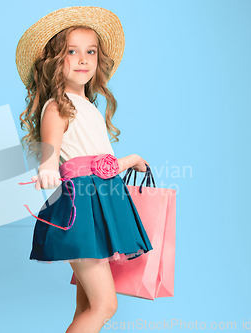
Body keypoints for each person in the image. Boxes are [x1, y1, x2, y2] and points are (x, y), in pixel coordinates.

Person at [16, 6, 154, 333]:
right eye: (71, 51)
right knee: (106, 305)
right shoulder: (57, 105)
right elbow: (51, 153)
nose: (83, 59)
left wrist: (130, 159)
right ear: (53, 60)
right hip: (82, 208)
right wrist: (48, 169)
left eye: (90, 51)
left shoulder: (89, 106)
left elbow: (99, 161)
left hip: (101, 203)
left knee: (88, 306)